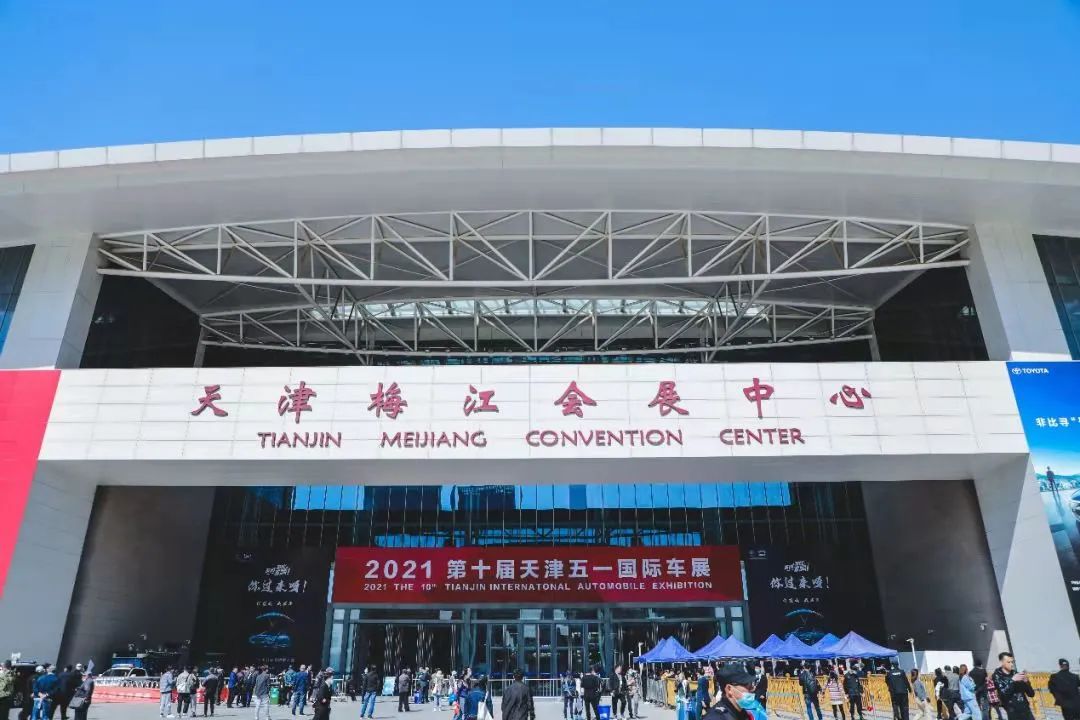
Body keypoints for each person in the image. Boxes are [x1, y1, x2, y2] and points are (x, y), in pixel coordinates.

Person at [700, 666, 767, 720]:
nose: (753, 689)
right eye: (748, 685)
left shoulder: (743, 713)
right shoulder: (715, 717)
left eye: (753, 684)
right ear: (729, 689)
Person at [991, 653, 1034, 720]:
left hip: (1026, 710)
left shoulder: (1016, 673)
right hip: (1013, 712)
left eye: (1012, 662)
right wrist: (1012, 681)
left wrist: (1026, 682)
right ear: (1001, 662)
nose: (1011, 664)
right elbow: (1003, 694)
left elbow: (1031, 694)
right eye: (1008, 662)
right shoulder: (997, 676)